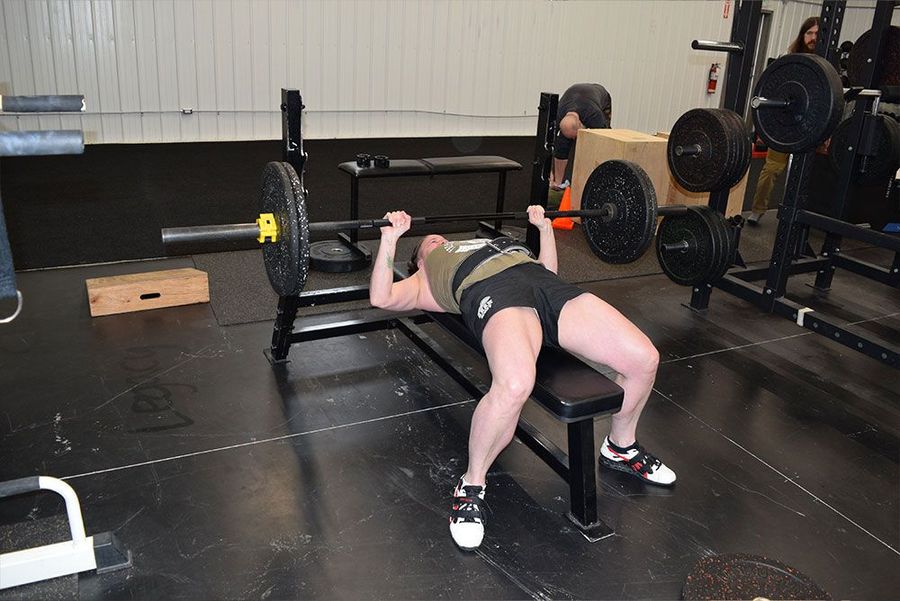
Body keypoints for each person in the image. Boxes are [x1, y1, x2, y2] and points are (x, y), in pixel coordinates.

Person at [369, 207, 675, 551]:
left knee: (644, 358)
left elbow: (548, 271)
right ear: (420, 262)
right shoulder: (425, 278)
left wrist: (545, 228)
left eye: (440, 238)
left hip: (545, 285)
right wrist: (390, 239)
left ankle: (620, 447)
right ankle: (471, 486)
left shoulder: (489, 243)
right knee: (514, 384)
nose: (437, 240)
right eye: (428, 244)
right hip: (496, 295)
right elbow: (381, 297)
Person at [748, 16, 820, 225]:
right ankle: (757, 209)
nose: (813, 38)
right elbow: (773, 93)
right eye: (809, 33)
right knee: (771, 169)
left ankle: (797, 216)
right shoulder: (789, 61)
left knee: (805, 175)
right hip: (785, 124)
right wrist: (765, 127)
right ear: (802, 35)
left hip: (811, 126)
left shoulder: (826, 65)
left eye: (817, 33)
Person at [550, 83, 613, 190]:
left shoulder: (595, 115)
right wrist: (550, 172)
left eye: (574, 137)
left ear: (580, 124)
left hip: (600, 96)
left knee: (599, 142)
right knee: (562, 143)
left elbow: (605, 140)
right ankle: (558, 182)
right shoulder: (556, 115)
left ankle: (598, 180)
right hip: (576, 96)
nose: (574, 140)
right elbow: (547, 145)